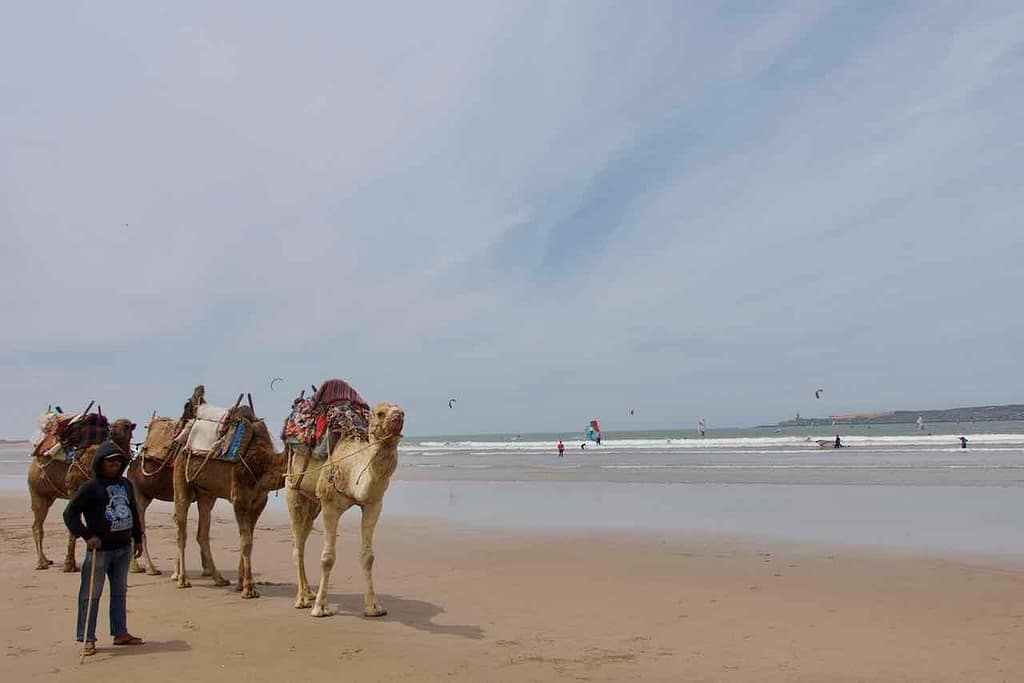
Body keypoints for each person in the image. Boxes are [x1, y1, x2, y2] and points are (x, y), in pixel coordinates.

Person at [63, 440, 145, 656]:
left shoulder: (126, 485)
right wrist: (87, 535)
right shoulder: (90, 487)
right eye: (110, 462)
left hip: (123, 548)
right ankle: (87, 638)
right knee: (91, 594)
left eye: (118, 462)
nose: (115, 465)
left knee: (119, 592)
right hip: (100, 551)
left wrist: (138, 538)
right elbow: (69, 514)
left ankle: (120, 632)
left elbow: (133, 511)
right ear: (100, 463)